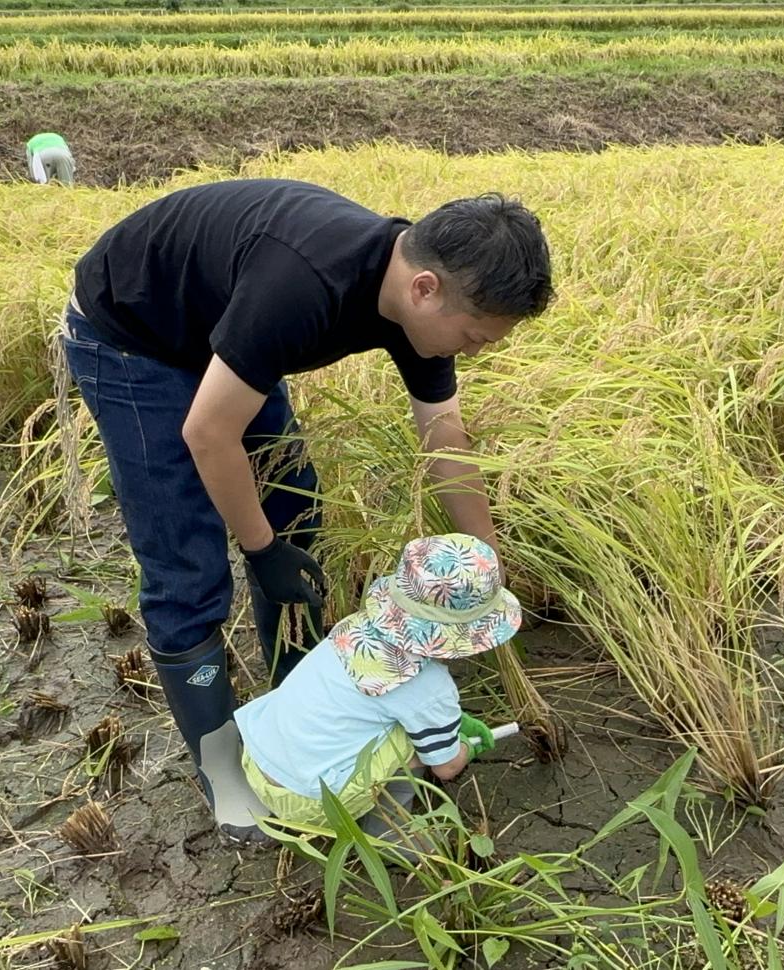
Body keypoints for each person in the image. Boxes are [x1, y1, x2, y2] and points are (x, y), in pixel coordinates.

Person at [62, 179, 553, 843]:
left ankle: (297, 716)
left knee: (297, 510)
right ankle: (233, 793)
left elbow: (443, 436)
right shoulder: (303, 285)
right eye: (474, 337)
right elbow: (208, 434)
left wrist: (486, 568)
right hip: (133, 336)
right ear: (426, 288)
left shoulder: (417, 310)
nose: (476, 352)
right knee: (187, 565)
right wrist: (261, 552)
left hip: (225, 331)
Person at [235, 533, 513, 835]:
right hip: (312, 801)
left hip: (257, 758)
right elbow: (445, 768)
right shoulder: (431, 688)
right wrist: (461, 748)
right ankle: (390, 832)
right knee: (410, 740)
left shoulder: (354, 629)